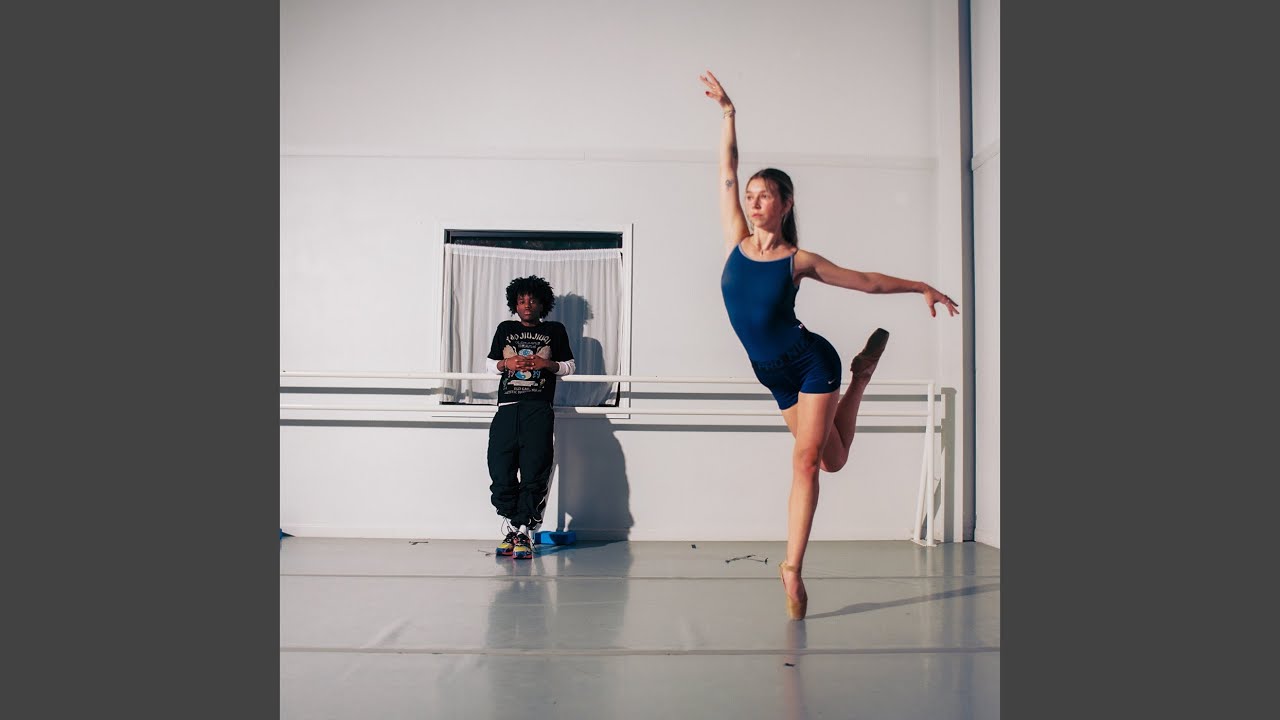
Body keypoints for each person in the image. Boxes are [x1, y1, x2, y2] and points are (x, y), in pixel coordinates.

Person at [699, 70, 959, 619]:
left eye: (765, 196)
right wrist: (728, 112)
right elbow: (727, 168)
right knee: (834, 460)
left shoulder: (798, 261)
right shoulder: (734, 241)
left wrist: (920, 286)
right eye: (750, 196)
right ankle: (863, 375)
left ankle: (792, 569)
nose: (753, 202)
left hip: (809, 361)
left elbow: (864, 282)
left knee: (806, 464)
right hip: (771, 372)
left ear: (785, 203)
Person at [485, 275, 576, 559]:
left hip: (538, 408)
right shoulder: (505, 328)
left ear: (542, 304)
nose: (527, 305)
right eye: (522, 301)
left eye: (533, 301)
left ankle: (523, 531)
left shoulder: (555, 330)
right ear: (514, 304)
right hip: (507, 407)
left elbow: (569, 367)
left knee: (534, 469)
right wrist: (507, 363)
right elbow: (490, 366)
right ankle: (514, 524)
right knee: (500, 467)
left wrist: (546, 363)